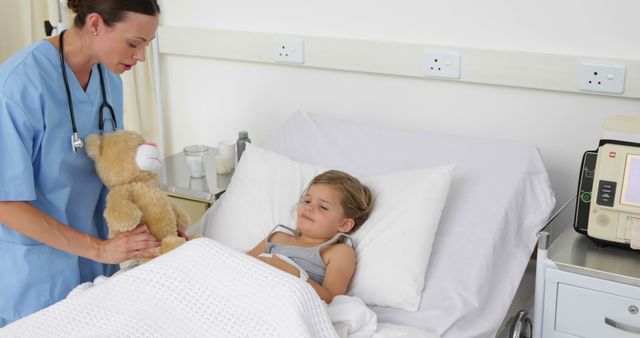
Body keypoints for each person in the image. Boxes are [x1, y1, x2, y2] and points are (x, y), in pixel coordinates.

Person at [0, 0, 162, 326]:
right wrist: (99, 250)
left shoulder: (109, 79)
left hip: (98, 267)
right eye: (133, 43)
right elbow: (5, 202)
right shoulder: (17, 86)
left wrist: (156, 222)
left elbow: (109, 166)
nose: (141, 57)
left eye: (147, 45)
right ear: (96, 24)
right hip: (38, 274)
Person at [248, 170, 373, 303]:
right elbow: (237, 264)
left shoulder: (338, 252)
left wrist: (294, 273)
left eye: (323, 207)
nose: (309, 207)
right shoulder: (277, 238)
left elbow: (332, 299)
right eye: (307, 201)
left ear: (344, 224)